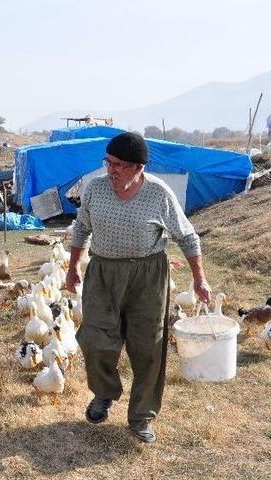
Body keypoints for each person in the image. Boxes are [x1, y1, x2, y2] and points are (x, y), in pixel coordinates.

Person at [66, 131, 211, 444]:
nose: (111, 170)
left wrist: (199, 278)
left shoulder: (159, 194)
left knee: (148, 346)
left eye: (119, 165)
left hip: (148, 277)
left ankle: (142, 416)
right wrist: (73, 267)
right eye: (109, 162)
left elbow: (187, 237)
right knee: (94, 337)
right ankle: (104, 394)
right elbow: (81, 228)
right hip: (103, 272)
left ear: (138, 168)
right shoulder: (95, 189)